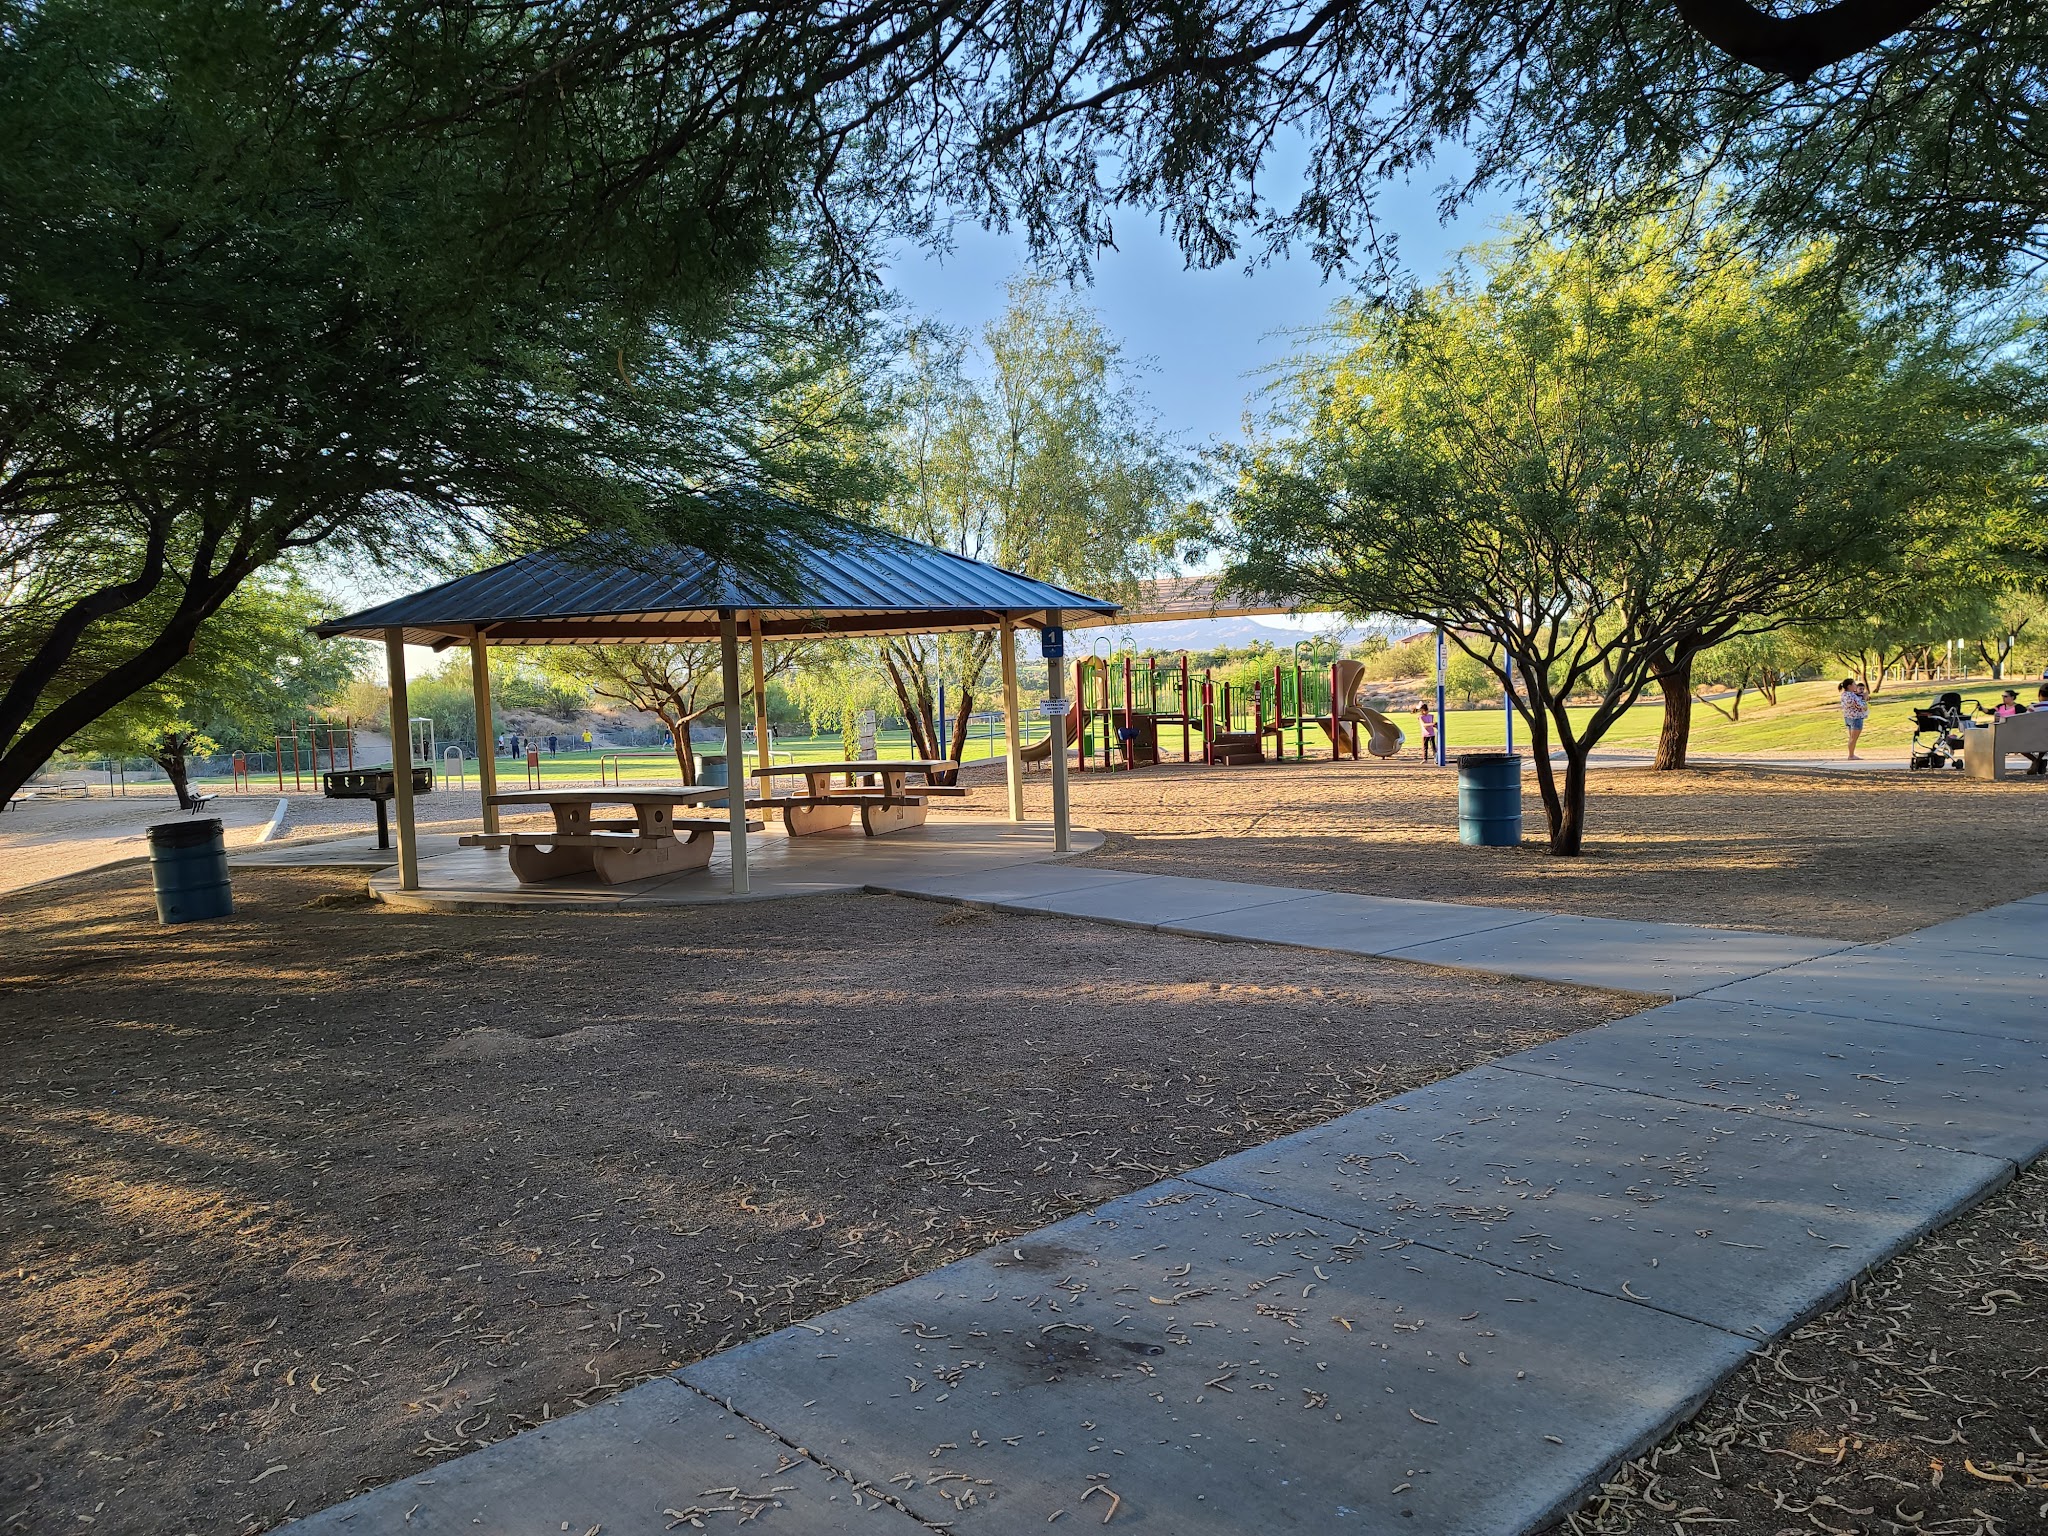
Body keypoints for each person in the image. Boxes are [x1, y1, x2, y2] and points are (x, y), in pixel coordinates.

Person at [1838, 678, 1868, 760]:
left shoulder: (1845, 694)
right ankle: (1851, 755)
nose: (1855, 685)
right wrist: (1864, 699)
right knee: (1853, 738)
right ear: (1849, 686)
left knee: (1852, 737)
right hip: (1855, 718)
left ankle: (1851, 754)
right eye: (1854, 684)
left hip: (1848, 717)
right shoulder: (1851, 695)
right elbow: (1861, 706)